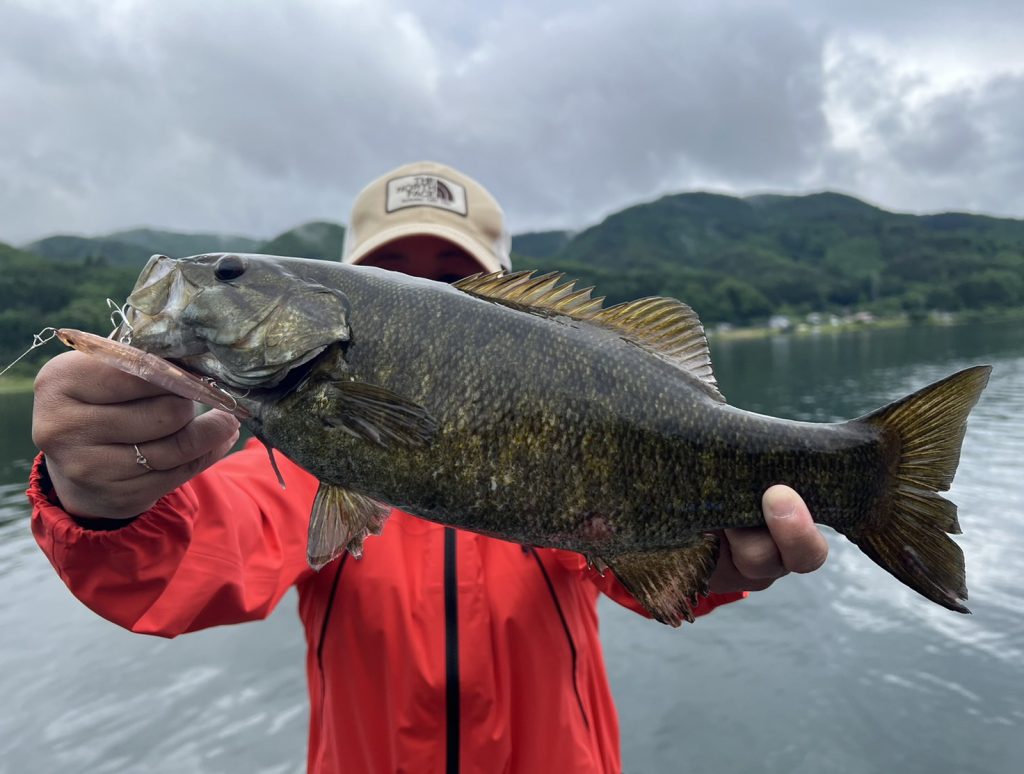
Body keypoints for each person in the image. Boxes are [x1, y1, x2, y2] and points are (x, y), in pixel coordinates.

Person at [29, 161, 829, 773]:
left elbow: (649, 576)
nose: (419, 293)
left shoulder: (557, 403)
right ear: (353, 290)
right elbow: (193, 556)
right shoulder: (294, 464)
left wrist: (718, 564)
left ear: (501, 293)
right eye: (394, 276)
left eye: (449, 280)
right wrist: (99, 502)